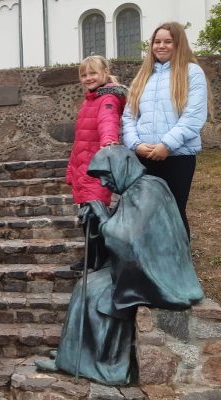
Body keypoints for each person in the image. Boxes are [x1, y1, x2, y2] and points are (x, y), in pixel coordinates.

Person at [35, 145, 204, 385]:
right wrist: (96, 222)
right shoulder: (137, 190)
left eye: (106, 175)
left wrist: (102, 217)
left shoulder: (148, 190)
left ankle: (107, 364)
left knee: (96, 291)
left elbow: (128, 240)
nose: (105, 183)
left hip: (159, 275)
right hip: (143, 266)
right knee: (88, 285)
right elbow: (120, 236)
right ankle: (74, 355)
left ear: (122, 166)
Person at [122, 21, 213, 237]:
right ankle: (150, 258)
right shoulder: (143, 76)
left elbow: (193, 116)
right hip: (144, 156)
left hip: (177, 157)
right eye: (157, 41)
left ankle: (180, 258)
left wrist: (167, 145)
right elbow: (129, 116)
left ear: (178, 44)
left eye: (168, 41)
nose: (161, 46)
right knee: (146, 215)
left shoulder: (192, 73)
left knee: (173, 213)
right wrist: (135, 144)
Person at [66, 55, 126, 271]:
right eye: (84, 75)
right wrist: (73, 168)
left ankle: (99, 260)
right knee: (88, 214)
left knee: (94, 215)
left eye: (93, 73)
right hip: (83, 166)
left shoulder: (108, 98)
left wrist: (109, 142)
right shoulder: (89, 99)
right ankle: (92, 257)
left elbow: (108, 121)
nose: (88, 78)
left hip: (96, 168)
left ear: (105, 73)